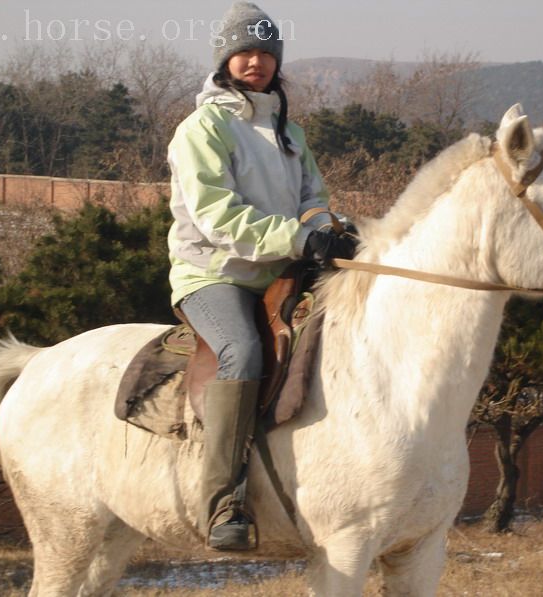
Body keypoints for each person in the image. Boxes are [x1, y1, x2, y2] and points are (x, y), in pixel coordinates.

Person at [166, 1, 355, 550]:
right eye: (244, 51)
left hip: (282, 271)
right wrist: (298, 237)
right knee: (243, 353)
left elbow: (311, 199)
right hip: (214, 273)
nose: (256, 62)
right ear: (225, 60)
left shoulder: (289, 130)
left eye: (265, 53)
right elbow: (216, 215)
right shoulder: (202, 127)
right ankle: (223, 502)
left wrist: (329, 228)